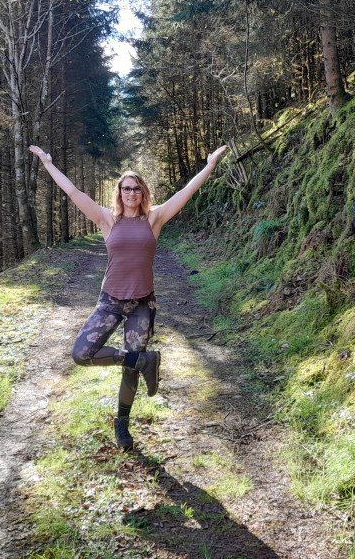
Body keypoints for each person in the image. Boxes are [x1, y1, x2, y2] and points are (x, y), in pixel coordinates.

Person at [28, 144, 229, 450]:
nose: (131, 193)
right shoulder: (107, 220)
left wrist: (210, 165)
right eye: (126, 188)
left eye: (136, 188)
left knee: (129, 369)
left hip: (142, 304)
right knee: (82, 353)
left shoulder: (154, 219)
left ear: (143, 192)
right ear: (119, 193)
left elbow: (187, 191)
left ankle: (122, 423)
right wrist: (47, 163)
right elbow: (73, 192)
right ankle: (146, 360)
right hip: (110, 300)